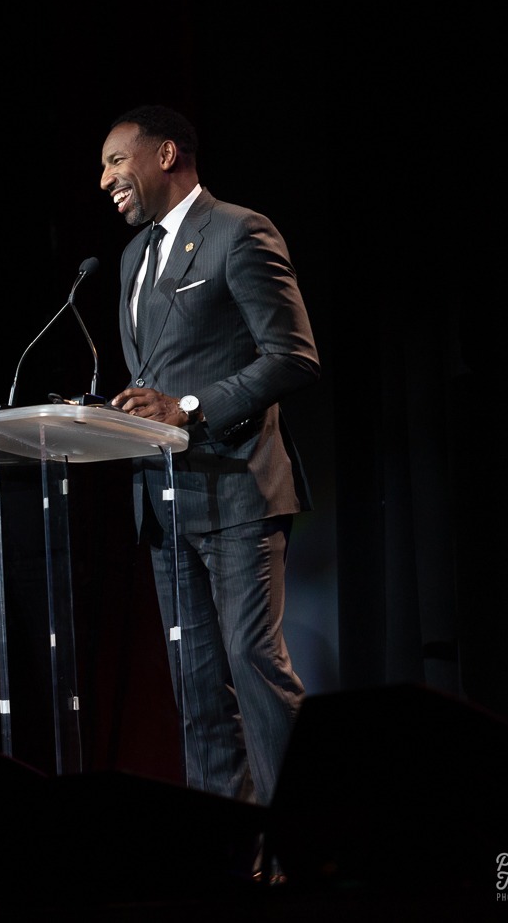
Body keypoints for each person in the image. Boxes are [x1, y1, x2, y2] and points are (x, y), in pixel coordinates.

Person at [99, 105, 319, 826]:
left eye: (115, 162)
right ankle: (229, 855)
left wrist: (187, 406)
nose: (105, 180)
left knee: (254, 670)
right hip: (164, 500)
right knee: (196, 692)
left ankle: (302, 844)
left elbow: (292, 356)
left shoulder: (239, 231)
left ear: (166, 155)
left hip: (238, 492)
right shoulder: (132, 259)